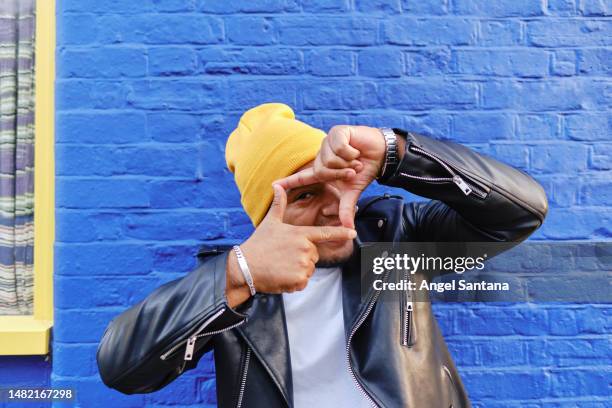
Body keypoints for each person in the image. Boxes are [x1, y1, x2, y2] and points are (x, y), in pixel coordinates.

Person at [97, 103, 548, 407]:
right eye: (306, 193)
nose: (335, 205)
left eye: (337, 181)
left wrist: (397, 154)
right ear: (264, 217)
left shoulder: (395, 241)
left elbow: (520, 212)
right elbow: (122, 369)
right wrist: (241, 274)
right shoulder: (233, 284)